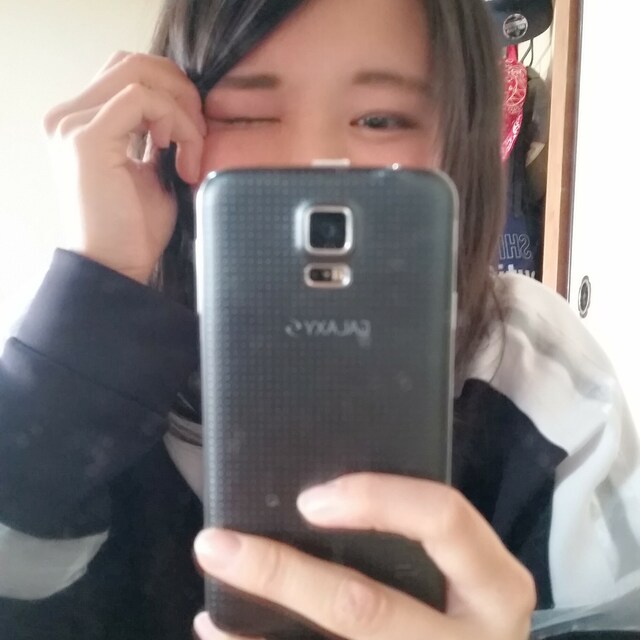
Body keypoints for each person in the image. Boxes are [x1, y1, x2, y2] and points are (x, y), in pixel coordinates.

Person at [0, 0, 638, 638]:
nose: (313, 162)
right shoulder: (80, 345)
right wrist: (95, 286)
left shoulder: (535, 366)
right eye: (245, 115)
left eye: (382, 119)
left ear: (459, 138)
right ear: (171, 138)